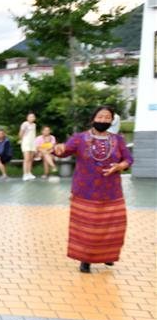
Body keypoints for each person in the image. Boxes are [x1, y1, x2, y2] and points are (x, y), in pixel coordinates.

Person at [55, 106, 133, 274]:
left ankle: (108, 255)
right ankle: (85, 260)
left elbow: (128, 159)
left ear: (111, 121)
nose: (103, 120)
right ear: (93, 119)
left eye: (107, 117)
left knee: (113, 226)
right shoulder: (80, 138)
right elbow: (64, 151)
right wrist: (58, 148)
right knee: (87, 228)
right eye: (100, 116)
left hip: (111, 191)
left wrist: (119, 166)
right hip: (85, 191)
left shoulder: (118, 139)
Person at [19, 112, 37, 181]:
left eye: (33, 117)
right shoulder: (25, 124)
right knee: (26, 159)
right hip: (26, 142)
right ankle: (25, 174)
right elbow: (20, 133)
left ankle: (29, 173)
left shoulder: (34, 125)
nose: (32, 118)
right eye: (30, 117)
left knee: (30, 159)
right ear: (27, 118)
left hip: (32, 143)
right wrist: (22, 140)